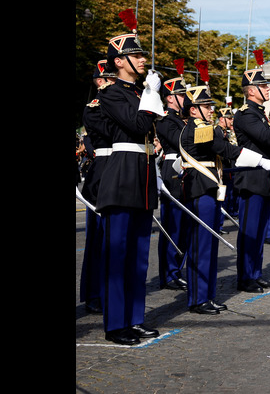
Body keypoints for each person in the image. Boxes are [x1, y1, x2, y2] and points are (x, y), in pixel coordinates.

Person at [96, 20, 166, 345]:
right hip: (122, 177)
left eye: (142, 56)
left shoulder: (140, 93)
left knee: (138, 256)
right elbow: (137, 125)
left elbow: (153, 131)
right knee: (117, 255)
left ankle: (135, 319)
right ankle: (115, 325)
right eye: (135, 56)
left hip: (144, 176)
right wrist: (151, 95)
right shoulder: (110, 94)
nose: (142, 60)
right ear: (118, 61)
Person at [179, 81, 270, 314]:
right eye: (205, 105)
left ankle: (206, 295)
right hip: (201, 189)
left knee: (209, 246)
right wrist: (259, 160)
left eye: (210, 105)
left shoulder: (202, 127)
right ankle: (198, 299)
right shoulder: (199, 128)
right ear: (193, 110)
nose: (211, 109)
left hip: (208, 188)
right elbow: (225, 150)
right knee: (201, 246)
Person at [232, 66, 270, 293]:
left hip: (264, 178)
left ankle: (256, 273)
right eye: (263, 85)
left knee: (260, 230)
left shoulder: (259, 114)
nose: (268, 88)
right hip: (252, 179)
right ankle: (245, 277)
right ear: (252, 91)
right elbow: (265, 138)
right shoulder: (245, 114)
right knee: (250, 231)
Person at [79, 60, 115, 314]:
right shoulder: (94, 109)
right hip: (103, 175)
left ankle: (112, 290)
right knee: (99, 240)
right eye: (113, 79)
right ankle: (94, 294)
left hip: (125, 173)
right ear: (101, 82)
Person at [155, 73, 191, 292]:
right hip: (173, 171)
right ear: (170, 98)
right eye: (180, 94)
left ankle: (177, 269)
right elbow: (180, 142)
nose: (185, 98)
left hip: (186, 171)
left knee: (185, 225)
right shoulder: (166, 120)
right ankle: (169, 273)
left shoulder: (183, 119)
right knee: (173, 226)